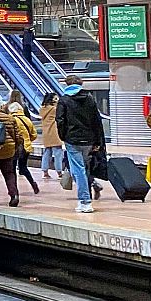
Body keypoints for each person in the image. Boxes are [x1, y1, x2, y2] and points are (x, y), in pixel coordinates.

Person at [57, 80, 107, 213]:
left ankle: (85, 201)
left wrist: (64, 136)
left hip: (72, 140)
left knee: (78, 170)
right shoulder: (90, 99)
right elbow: (97, 121)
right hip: (89, 140)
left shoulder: (64, 100)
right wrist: (97, 141)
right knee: (83, 168)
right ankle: (87, 194)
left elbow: (60, 120)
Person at [7, 102, 41, 195]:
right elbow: (34, 135)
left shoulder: (11, 119)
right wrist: (27, 140)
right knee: (23, 168)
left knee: (12, 170)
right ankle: (33, 184)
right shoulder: (27, 119)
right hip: (26, 147)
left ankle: (14, 190)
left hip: (14, 148)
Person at [38, 91, 63, 179]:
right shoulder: (54, 109)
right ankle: (59, 172)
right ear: (51, 100)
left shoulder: (42, 109)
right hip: (55, 132)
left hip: (46, 132)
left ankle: (45, 171)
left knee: (47, 152)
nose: (58, 100)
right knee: (58, 152)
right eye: (56, 98)